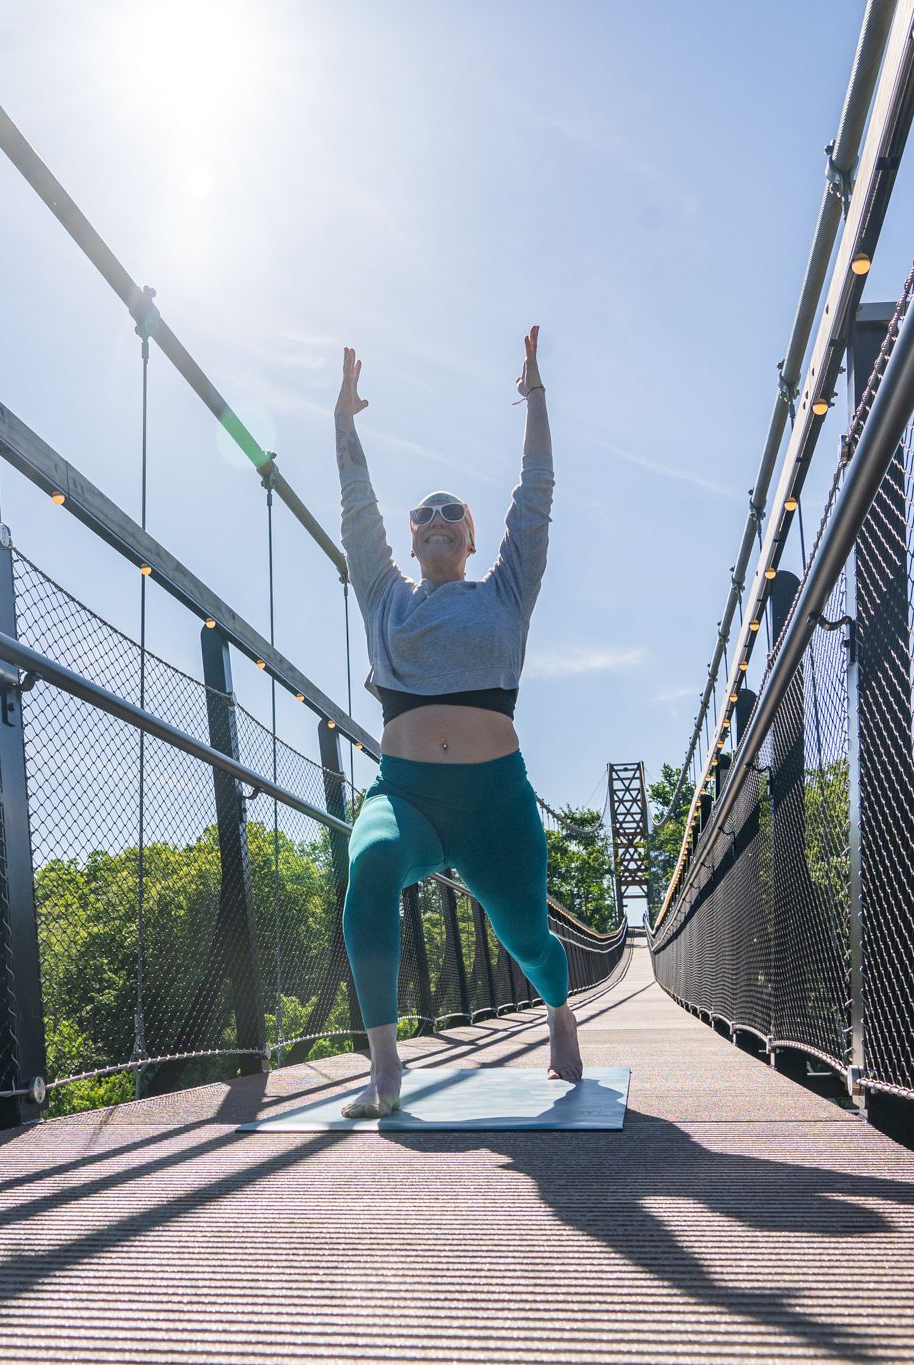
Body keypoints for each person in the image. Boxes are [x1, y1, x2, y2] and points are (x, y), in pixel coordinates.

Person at [332, 325, 580, 1119]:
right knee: (366, 866)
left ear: (470, 538)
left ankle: (559, 1009)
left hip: (495, 804)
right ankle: (384, 1068)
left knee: (529, 940)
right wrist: (345, 421)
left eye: (452, 514)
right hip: (405, 793)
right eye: (422, 516)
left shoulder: (506, 591)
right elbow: (354, 504)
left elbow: (534, 498)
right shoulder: (385, 594)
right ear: (411, 538)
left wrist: (537, 399)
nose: (435, 518)